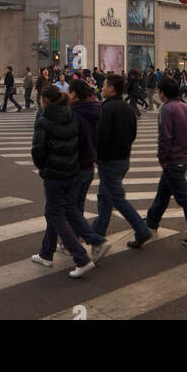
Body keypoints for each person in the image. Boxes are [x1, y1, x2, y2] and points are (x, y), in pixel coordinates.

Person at [30, 85, 95, 278]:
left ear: (45, 100)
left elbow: (38, 152)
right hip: (71, 172)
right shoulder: (71, 116)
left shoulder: (44, 120)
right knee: (53, 211)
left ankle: (81, 257)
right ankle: (46, 253)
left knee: (56, 214)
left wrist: (44, 167)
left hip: (54, 175)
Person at [141, 78, 187, 247]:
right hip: (183, 159)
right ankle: (152, 221)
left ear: (163, 93)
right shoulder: (186, 108)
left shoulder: (166, 109)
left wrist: (162, 157)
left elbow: (165, 136)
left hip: (173, 160)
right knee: (164, 192)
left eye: (160, 91)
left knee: (184, 198)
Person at [90, 74, 153, 248]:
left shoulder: (107, 108)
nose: (101, 88)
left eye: (103, 85)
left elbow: (102, 137)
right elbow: (133, 134)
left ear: (111, 88)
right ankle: (97, 233)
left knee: (117, 198)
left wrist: (99, 156)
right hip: (123, 158)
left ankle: (142, 229)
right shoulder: (127, 108)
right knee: (104, 196)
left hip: (110, 161)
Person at [67, 79, 112, 262]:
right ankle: (71, 238)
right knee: (77, 204)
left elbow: (72, 142)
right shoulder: (95, 109)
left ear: (75, 95)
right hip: (89, 164)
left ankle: (96, 240)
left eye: (69, 92)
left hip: (77, 164)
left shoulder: (74, 114)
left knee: (69, 207)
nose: (67, 95)